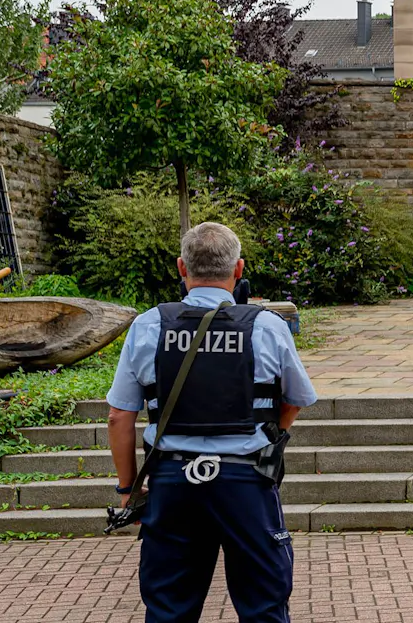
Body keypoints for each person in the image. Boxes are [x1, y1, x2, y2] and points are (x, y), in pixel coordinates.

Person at [106, 222, 318, 623]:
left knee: (168, 608)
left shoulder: (149, 325)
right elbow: (297, 398)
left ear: (181, 268)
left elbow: (120, 416)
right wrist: (275, 434)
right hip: (246, 484)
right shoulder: (267, 325)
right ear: (238, 269)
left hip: (172, 483)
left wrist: (126, 489)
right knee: (264, 606)